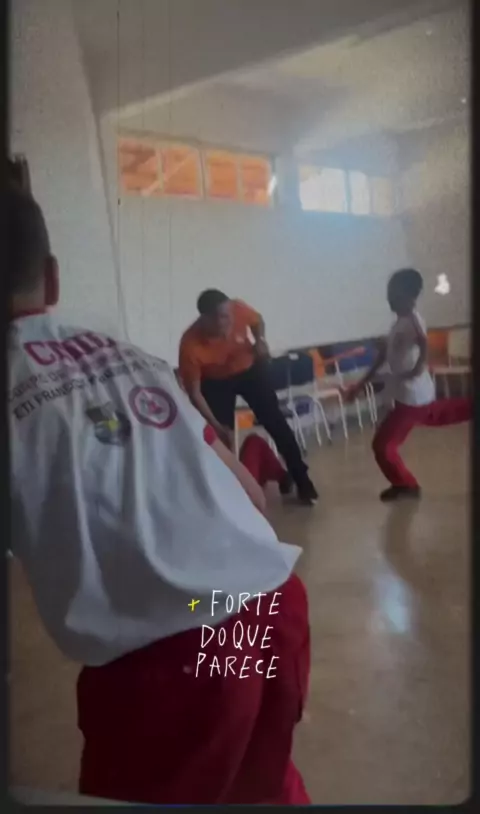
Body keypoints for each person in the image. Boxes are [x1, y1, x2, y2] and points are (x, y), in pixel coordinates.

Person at [8, 185, 311, 805]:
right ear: (53, 278)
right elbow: (251, 496)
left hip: (178, 655)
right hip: (268, 610)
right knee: (260, 785)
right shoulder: (134, 359)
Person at [179, 289, 318, 505]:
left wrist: (260, 340)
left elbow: (258, 320)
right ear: (205, 320)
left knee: (276, 423)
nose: (227, 322)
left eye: (228, 316)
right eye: (221, 318)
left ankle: (302, 480)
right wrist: (215, 424)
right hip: (215, 382)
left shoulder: (238, 309)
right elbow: (195, 393)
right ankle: (230, 495)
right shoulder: (190, 345)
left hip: (249, 371)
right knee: (220, 439)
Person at [346, 268, 471, 501]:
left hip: (413, 396)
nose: (389, 298)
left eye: (393, 294)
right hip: (410, 396)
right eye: (388, 293)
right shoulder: (399, 323)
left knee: (383, 446)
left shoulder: (413, 320)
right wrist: (360, 384)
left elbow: (424, 344)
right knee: (437, 415)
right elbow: (383, 357)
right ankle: (404, 484)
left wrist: (418, 368)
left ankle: (406, 485)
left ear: (409, 297)